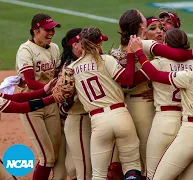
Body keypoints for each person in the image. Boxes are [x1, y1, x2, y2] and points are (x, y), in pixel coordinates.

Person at [109, 9, 193, 179]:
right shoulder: (142, 45)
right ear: (142, 27)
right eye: (153, 27)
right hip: (142, 105)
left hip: (137, 106)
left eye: (161, 28)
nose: (159, 31)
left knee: (133, 159)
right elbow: (178, 54)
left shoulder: (124, 48)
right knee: (148, 162)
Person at [129, 35, 193, 180]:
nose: (191, 50)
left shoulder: (192, 76)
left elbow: (155, 74)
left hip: (191, 134)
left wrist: (139, 52)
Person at [68, 27, 142, 180]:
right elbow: (128, 80)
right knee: (131, 165)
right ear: (99, 43)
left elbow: (66, 102)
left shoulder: (71, 69)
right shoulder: (106, 60)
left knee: (99, 174)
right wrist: (129, 54)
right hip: (121, 115)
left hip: (98, 121)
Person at [131, 28, 193, 179]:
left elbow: (131, 81)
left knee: (153, 174)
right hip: (186, 121)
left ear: (166, 44)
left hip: (164, 120)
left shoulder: (159, 63)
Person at [15, 13, 62, 180]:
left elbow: (57, 74)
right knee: (47, 157)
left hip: (50, 104)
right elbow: (30, 81)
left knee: (54, 154)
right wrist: (52, 89)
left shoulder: (55, 48)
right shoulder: (25, 50)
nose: (51, 33)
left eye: (53, 30)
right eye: (47, 30)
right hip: (31, 105)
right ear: (35, 30)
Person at [57, 28, 92, 180]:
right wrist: (69, 97)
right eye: (77, 43)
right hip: (77, 119)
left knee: (93, 167)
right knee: (74, 169)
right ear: (72, 46)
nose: (81, 46)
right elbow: (64, 105)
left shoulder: (95, 60)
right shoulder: (67, 69)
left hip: (96, 119)